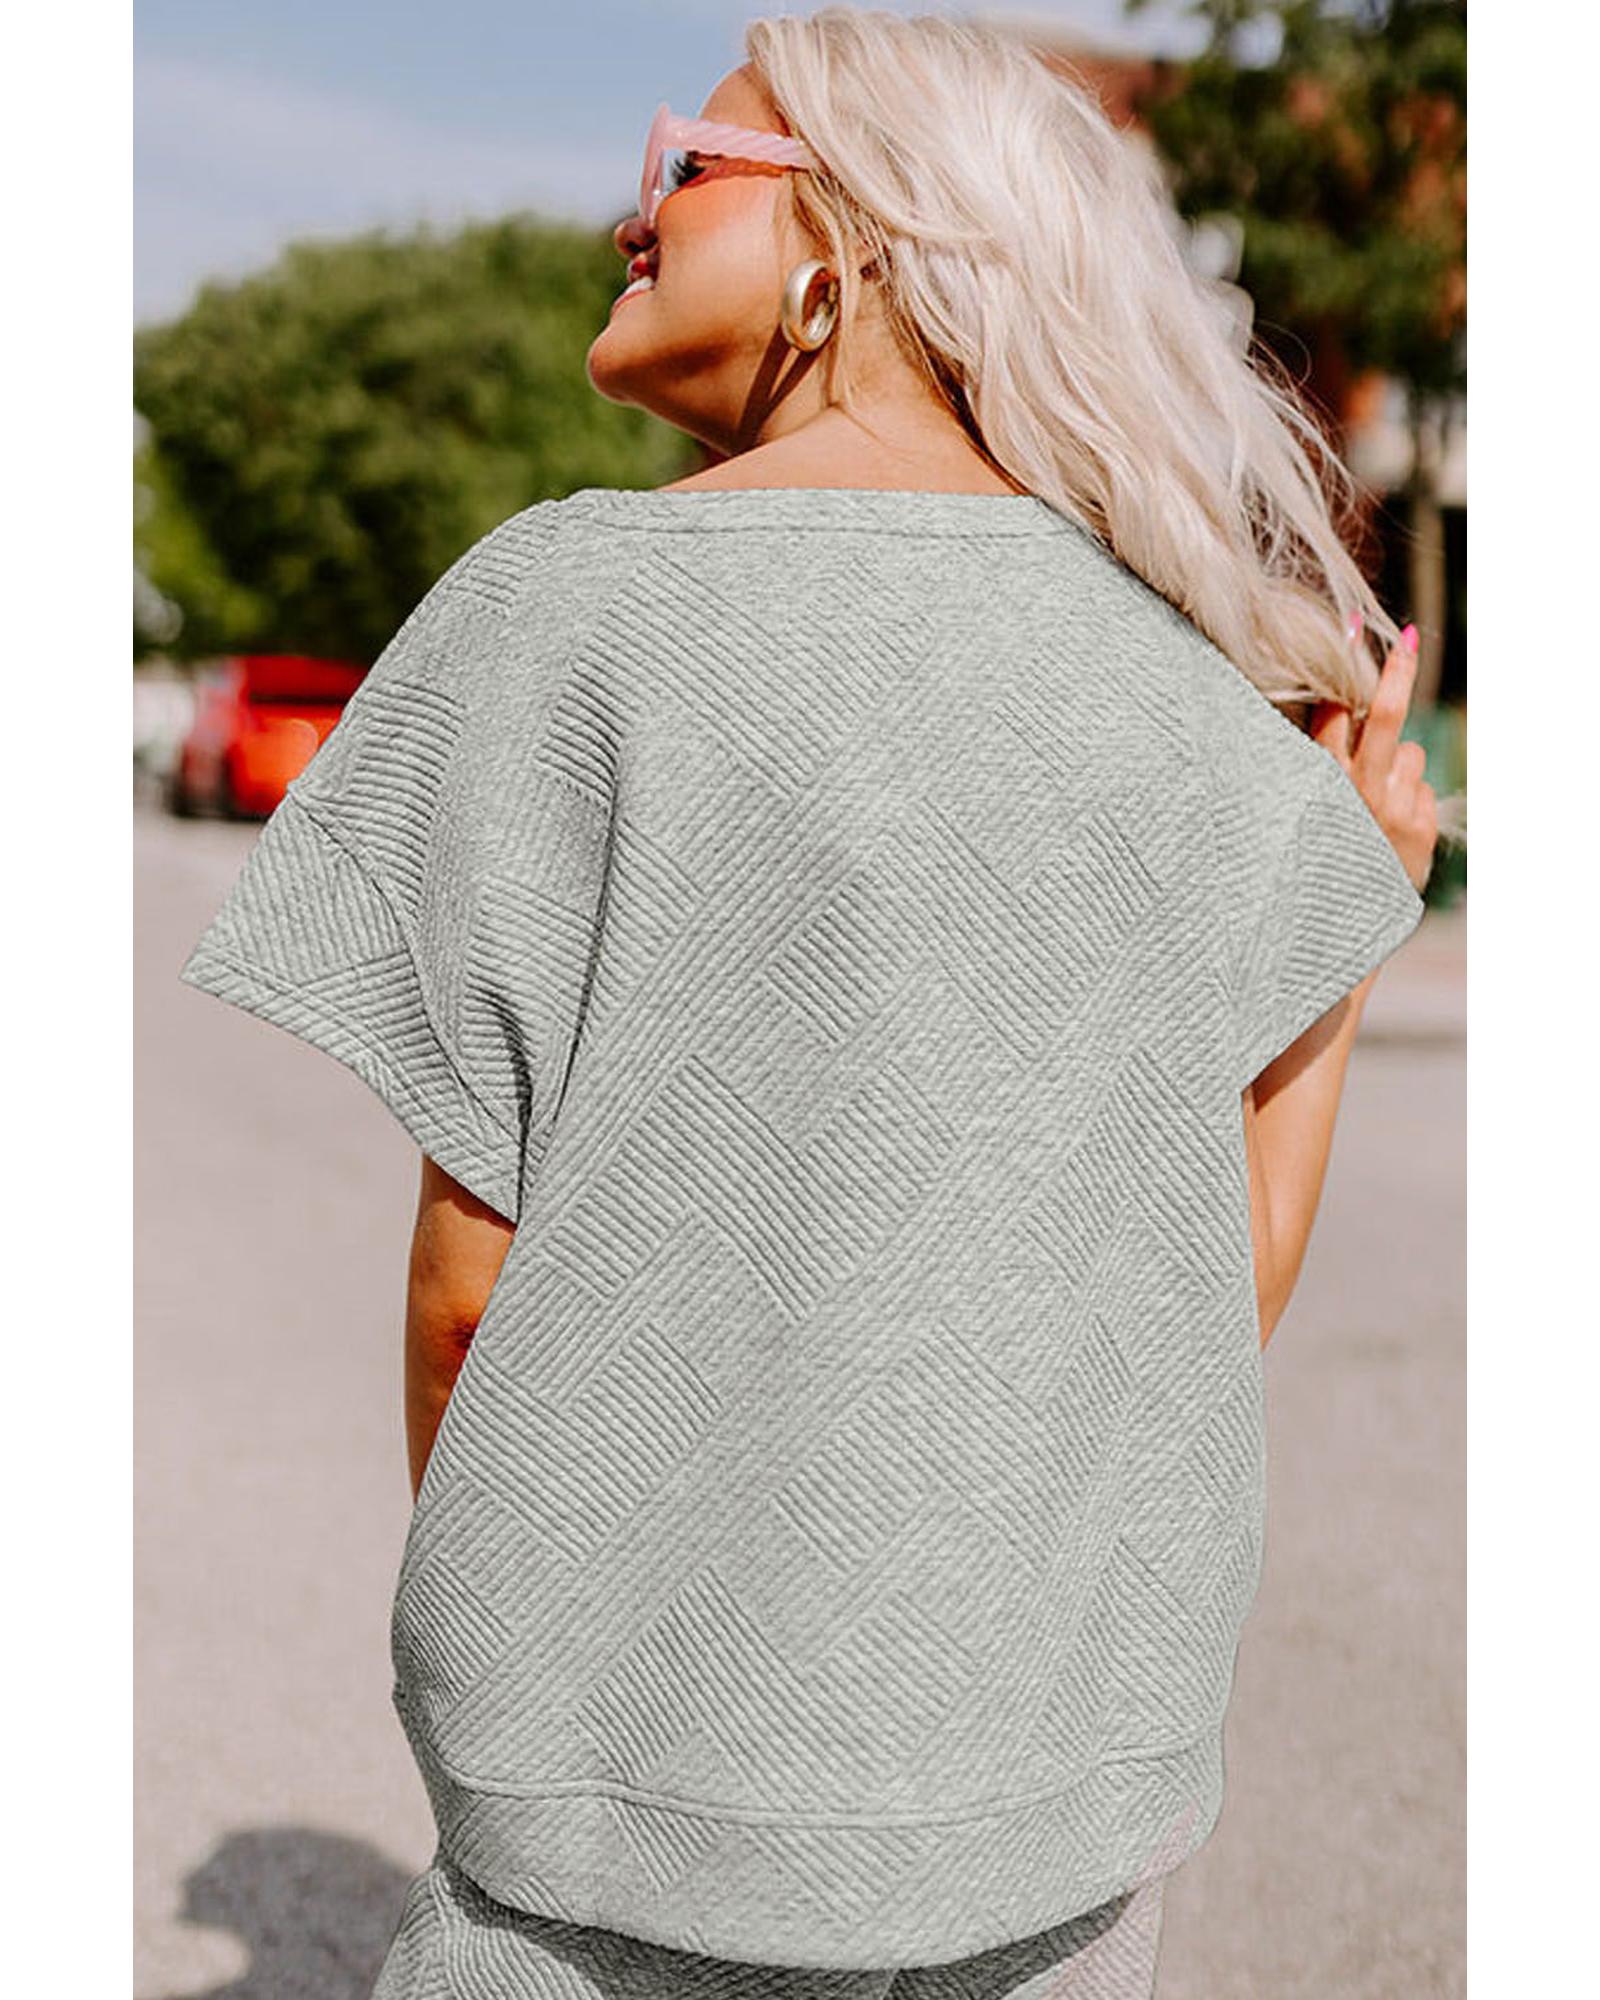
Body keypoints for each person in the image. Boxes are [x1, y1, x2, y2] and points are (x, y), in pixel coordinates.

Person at [178, 9, 1451, 1996]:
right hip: (1044, 1862)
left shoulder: (565, 610)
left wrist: (583, 1667)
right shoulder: (1181, 695)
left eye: (686, 160)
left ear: (848, 238)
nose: (630, 210)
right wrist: (1352, 908)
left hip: (611, 1861)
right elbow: (1214, 1302)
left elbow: (468, 1301)